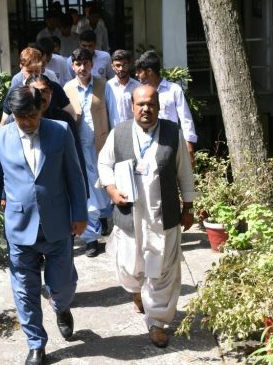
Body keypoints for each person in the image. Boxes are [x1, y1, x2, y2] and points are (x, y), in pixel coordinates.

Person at [0, 86, 88, 365]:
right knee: (24, 291)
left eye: (32, 116)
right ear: (13, 114)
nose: (28, 122)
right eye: (21, 117)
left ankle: (61, 306)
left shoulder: (60, 131)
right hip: (19, 227)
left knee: (62, 285)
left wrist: (80, 214)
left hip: (58, 224)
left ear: (41, 109)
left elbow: (75, 176)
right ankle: (36, 344)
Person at [97, 84, 198, 348]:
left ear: (158, 107)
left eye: (151, 104)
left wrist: (188, 207)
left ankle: (157, 321)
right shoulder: (119, 133)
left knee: (163, 270)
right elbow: (104, 164)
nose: (146, 109)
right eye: (140, 104)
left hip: (162, 216)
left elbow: (184, 172)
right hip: (130, 214)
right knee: (130, 267)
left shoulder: (172, 133)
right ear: (132, 107)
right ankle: (136, 290)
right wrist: (111, 189)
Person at [63, 48, 116, 257]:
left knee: (106, 186)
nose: (82, 68)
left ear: (92, 65)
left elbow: (114, 115)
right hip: (78, 149)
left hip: (102, 147)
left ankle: (106, 223)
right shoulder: (67, 88)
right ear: (72, 66)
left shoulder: (104, 85)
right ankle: (91, 239)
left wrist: (117, 142)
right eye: (78, 64)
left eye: (85, 63)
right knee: (87, 192)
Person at [134, 51, 197, 161]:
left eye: (139, 71)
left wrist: (189, 144)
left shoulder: (174, 89)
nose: (136, 75)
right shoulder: (139, 92)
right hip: (147, 142)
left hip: (171, 142)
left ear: (149, 71)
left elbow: (185, 118)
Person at [0, 47, 75, 126]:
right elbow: (4, 122)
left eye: (37, 71)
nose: (33, 75)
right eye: (29, 71)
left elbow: (72, 114)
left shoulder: (54, 87)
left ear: (42, 68)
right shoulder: (15, 90)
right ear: (21, 67)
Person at [106, 49, 140, 126]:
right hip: (114, 130)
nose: (121, 69)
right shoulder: (107, 86)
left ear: (129, 65)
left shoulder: (138, 87)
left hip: (133, 130)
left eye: (124, 65)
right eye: (118, 65)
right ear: (112, 66)